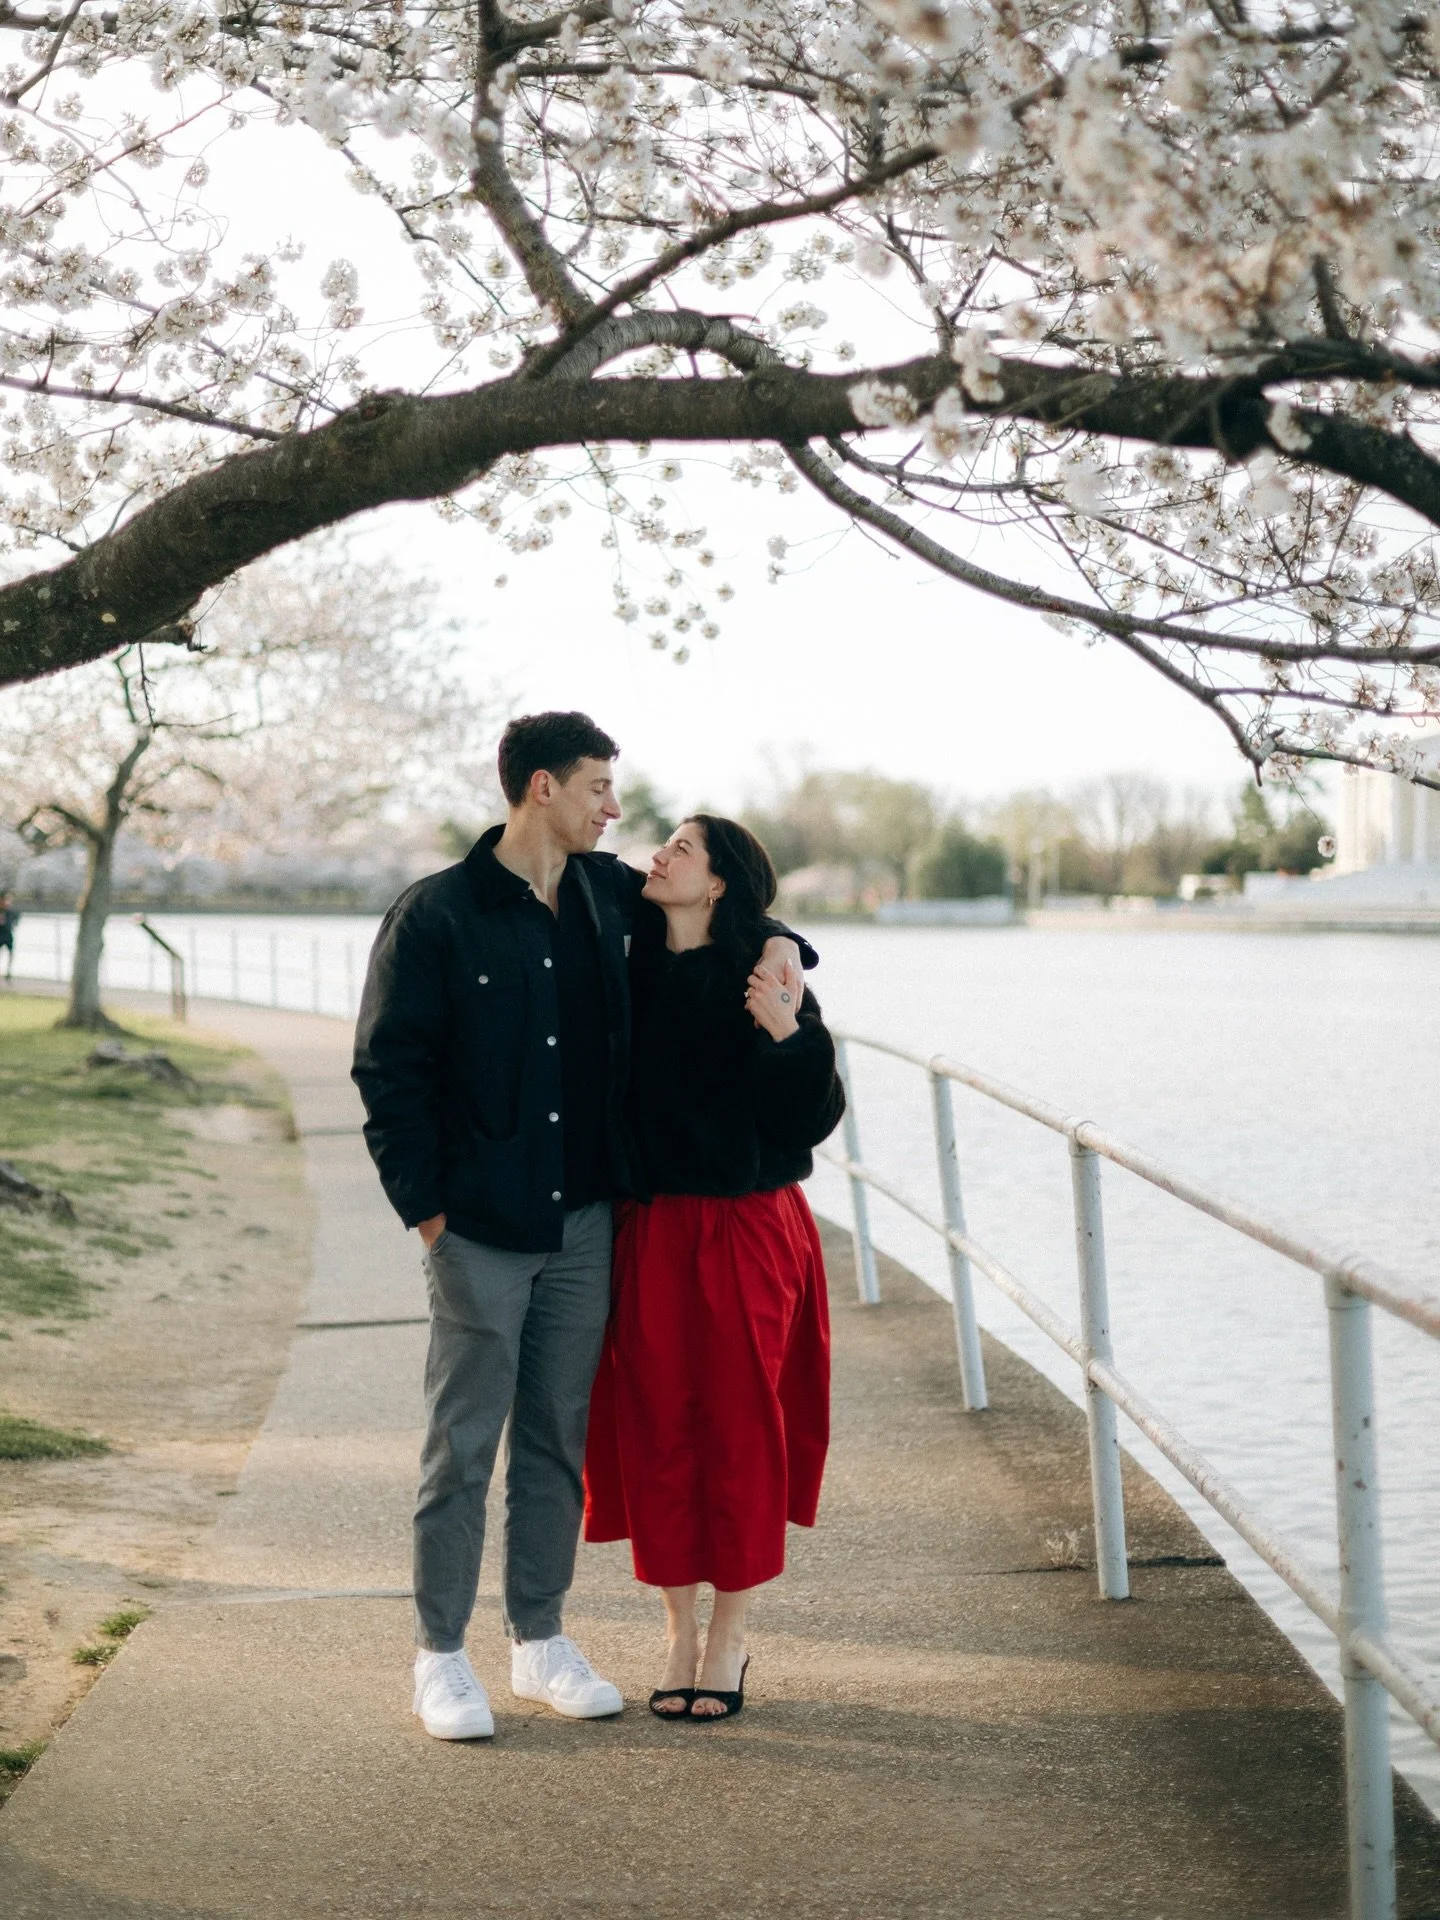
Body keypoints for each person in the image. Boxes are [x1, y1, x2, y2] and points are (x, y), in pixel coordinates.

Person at [352, 715, 806, 1741]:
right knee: (462, 1446)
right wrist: (428, 1215)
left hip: (590, 1222)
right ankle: (440, 1658)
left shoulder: (612, 899)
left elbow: (728, 917)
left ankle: (539, 1639)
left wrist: (783, 942)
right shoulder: (437, 914)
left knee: (560, 1439)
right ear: (542, 788)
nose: (615, 810)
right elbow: (389, 1072)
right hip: (477, 1227)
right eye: (599, 788)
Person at [583, 815, 845, 1722]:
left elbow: (812, 1116)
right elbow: (573, 861)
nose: (660, 855)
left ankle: (731, 1634)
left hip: (746, 1224)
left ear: (722, 881)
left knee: (740, 1427)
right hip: (650, 1227)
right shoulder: (627, 959)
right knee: (657, 1426)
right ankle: (677, 1632)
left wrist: (788, 1032)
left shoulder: (761, 974)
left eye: (682, 849)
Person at [0, 892, 18, 981]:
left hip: (8, 934)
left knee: (11, 953)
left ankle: (8, 972)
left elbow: (15, 920)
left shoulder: (11, 912)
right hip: (0, 934)